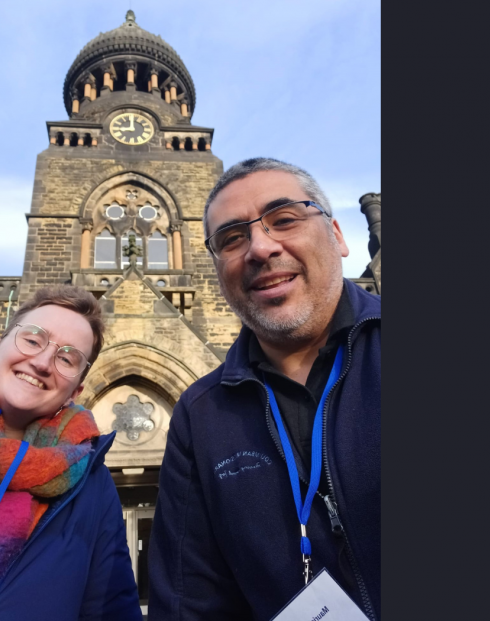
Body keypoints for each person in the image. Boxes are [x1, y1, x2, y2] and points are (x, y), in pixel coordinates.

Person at [149, 158, 381, 620]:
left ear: (337, 235)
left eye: (285, 219)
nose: (260, 247)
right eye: (232, 238)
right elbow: (190, 603)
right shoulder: (199, 415)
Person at [0, 285, 142, 621]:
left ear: (77, 390)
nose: (43, 362)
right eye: (32, 340)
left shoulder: (92, 480)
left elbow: (110, 607)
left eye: (67, 358)